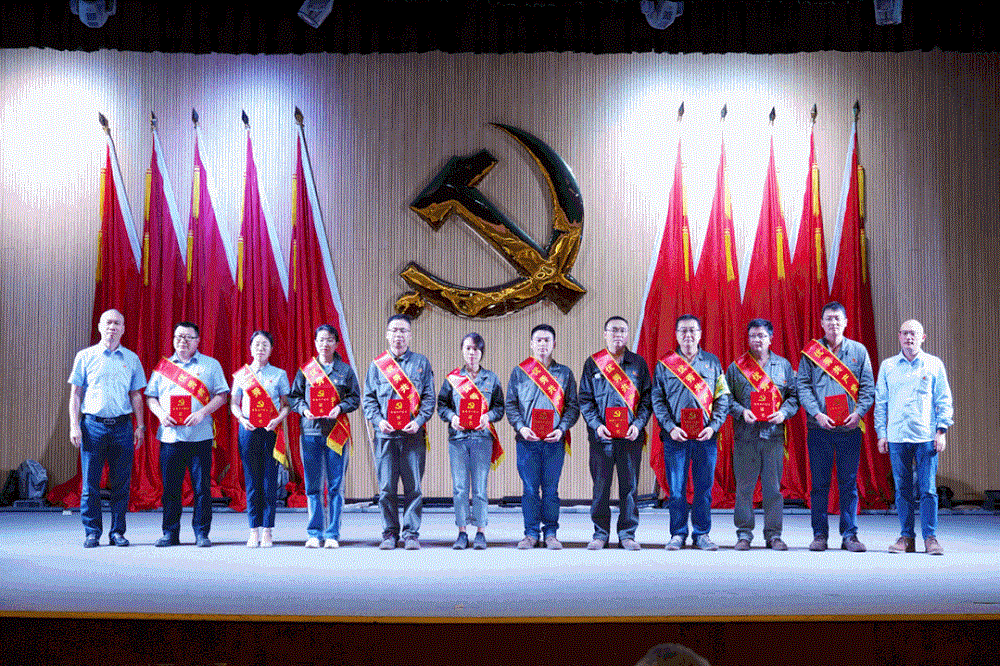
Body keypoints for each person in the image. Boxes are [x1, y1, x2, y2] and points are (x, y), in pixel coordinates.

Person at [797, 301, 875, 552]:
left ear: (845, 322)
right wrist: (817, 413)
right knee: (819, 484)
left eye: (837, 318)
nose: (833, 323)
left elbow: (868, 387)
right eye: (828, 319)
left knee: (848, 484)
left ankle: (850, 535)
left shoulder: (859, 351)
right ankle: (819, 534)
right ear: (822, 323)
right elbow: (802, 386)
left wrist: (859, 412)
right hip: (819, 428)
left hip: (849, 429)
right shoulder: (811, 352)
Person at [145, 322, 229, 547]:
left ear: (197, 341)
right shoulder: (163, 367)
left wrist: (202, 412)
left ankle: (202, 533)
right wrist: (161, 414)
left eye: (188, 337)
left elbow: (222, 395)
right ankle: (170, 533)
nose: (182, 341)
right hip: (170, 437)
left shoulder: (210, 365)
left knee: (202, 488)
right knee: (170, 489)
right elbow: (151, 396)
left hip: (200, 437)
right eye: (178, 336)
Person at [68, 309, 146, 548]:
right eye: (108, 323)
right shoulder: (85, 356)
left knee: (121, 484)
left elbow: (136, 395)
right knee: (90, 484)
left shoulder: (131, 358)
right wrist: (74, 425)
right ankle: (92, 532)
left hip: (122, 427)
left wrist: (140, 426)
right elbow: (76, 394)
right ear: (100, 327)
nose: (112, 327)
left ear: (123, 329)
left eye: (117, 323)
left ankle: (117, 532)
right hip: (92, 426)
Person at [651, 314, 730, 551]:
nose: (688, 335)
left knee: (703, 490)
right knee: (676, 490)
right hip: (676, 437)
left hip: (706, 437)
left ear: (700, 334)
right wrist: (670, 427)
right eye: (683, 331)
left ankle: (702, 533)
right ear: (676, 334)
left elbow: (722, 397)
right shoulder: (665, 364)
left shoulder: (713, 362)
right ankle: (677, 533)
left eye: (693, 330)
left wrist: (713, 426)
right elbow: (657, 400)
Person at [874, 319, 953, 555]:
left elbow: (943, 400)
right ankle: (906, 537)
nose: (909, 338)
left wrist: (941, 431)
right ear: (899, 336)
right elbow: (881, 403)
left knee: (928, 489)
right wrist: (881, 434)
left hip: (926, 436)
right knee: (902, 489)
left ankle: (931, 538)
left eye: (914, 334)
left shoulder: (933, 364)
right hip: (897, 436)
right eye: (905, 333)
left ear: (923, 338)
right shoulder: (888, 366)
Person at [578, 316, 652, 551]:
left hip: (630, 437)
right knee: (601, 488)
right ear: (605, 334)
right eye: (613, 330)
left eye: (622, 330)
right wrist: (596, 424)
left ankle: (627, 534)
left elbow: (647, 400)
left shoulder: (638, 363)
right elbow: (585, 400)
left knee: (629, 488)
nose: (618, 334)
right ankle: (600, 534)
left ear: (627, 335)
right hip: (602, 438)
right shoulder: (593, 363)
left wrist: (638, 425)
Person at [725, 318, 799, 551]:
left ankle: (774, 535)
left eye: (762, 335)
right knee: (744, 489)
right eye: (753, 336)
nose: (757, 340)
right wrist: (741, 411)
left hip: (773, 436)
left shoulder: (783, 365)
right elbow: (725, 398)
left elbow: (794, 397)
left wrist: (784, 413)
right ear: (748, 339)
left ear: (771, 338)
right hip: (746, 436)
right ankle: (744, 534)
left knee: (773, 489)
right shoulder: (736, 367)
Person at [362, 314, 435, 550]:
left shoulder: (421, 363)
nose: (398, 335)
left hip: (412, 436)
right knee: (386, 488)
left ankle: (411, 533)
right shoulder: (377, 366)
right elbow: (368, 399)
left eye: (403, 330)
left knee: (413, 488)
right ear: (387, 335)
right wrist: (378, 420)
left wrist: (420, 420)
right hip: (385, 437)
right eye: (394, 330)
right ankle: (389, 533)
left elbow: (429, 398)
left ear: (410, 335)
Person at [506, 323, 579, 550]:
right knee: (529, 490)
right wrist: (521, 427)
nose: (542, 344)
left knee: (551, 490)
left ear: (554, 344)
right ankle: (530, 534)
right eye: (538, 340)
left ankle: (550, 533)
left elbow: (573, 407)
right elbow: (511, 405)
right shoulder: (520, 372)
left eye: (547, 340)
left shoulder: (564, 373)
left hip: (554, 442)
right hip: (527, 442)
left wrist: (562, 428)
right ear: (531, 344)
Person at [289, 324, 361, 549]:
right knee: (313, 486)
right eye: (321, 340)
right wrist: (303, 410)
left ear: (336, 343)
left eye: (329, 339)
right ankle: (314, 532)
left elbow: (355, 398)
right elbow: (294, 397)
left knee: (336, 486)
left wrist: (340, 408)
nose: (325, 344)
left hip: (336, 433)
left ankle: (332, 534)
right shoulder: (306, 370)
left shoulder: (345, 371)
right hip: (310, 432)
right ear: (315, 343)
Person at [437, 332, 505, 550]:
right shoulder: (453, 379)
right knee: (459, 488)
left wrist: (488, 416)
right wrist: (452, 417)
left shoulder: (491, 379)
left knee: (480, 488)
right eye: (467, 348)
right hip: (458, 439)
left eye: (476, 349)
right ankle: (462, 532)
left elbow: (500, 408)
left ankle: (481, 532)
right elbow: (442, 406)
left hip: (482, 439)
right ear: (462, 351)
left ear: (481, 352)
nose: (472, 353)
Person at [230, 331, 291, 548]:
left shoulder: (279, 374)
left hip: (270, 430)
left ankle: (267, 530)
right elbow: (234, 403)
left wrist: (277, 420)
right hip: (248, 430)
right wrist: (241, 419)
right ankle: (253, 529)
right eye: (256, 344)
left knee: (269, 481)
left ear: (271, 349)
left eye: (265, 344)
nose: (260, 348)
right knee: (252, 481)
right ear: (250, 348)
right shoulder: (242, 375)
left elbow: (286, 405)